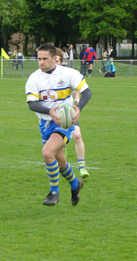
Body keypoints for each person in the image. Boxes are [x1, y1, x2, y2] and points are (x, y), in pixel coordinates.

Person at [26, 43, 92, 206]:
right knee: (61, 162)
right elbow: (32, 104)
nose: (41, 62)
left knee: (47, 153)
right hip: (46, 124)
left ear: (54, 58)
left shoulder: (69, 73)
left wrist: (78, 108)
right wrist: (51, 112)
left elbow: (87, 92)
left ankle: (54, 192)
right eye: (39, 59)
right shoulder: (34, 78)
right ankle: (76, 184)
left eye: (44, 59)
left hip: (64, 123)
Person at [55, 48, 90, 179]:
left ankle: (82, 167)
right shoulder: (45, 77)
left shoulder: (66, 74)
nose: (55, 63)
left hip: (68, 112)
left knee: (77, 135)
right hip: (53, 117)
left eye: (57, 60)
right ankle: (62, 165)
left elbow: (75, 87)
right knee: (60, 145)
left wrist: (76, 99)